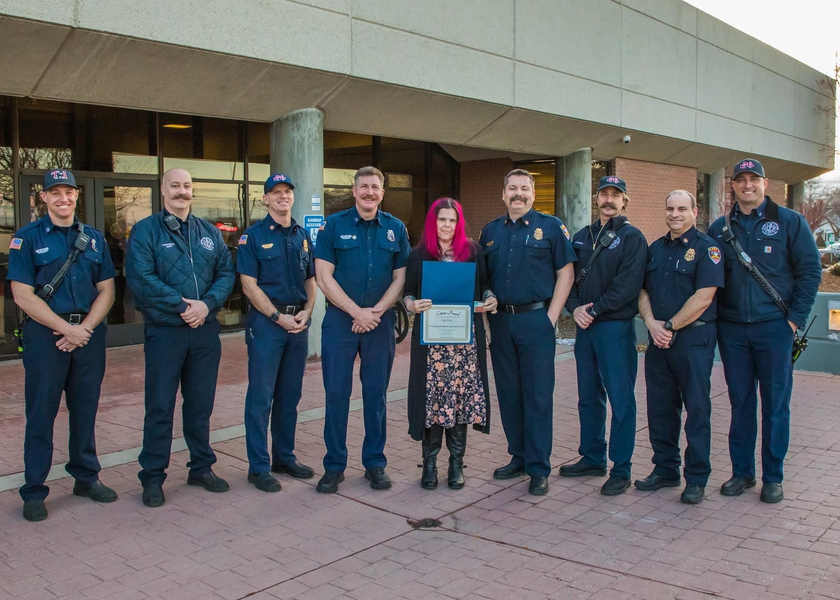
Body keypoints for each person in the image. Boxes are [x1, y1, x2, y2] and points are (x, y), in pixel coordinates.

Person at [708, 158, 821, 503]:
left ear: (765, 184)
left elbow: (810, 273)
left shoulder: (789, 222)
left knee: (775, 405)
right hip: (733, 331)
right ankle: (742, 473)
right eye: (740, 180)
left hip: (775, 328)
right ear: (733, 186)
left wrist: (793, 320)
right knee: (740, 402)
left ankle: (773, 476)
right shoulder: (719, 228)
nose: (747, 185)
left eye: (753, 179)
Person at [9, 169, 117, 522]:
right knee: (41, 414)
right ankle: (35, 490)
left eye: (68, 192)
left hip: (87, 335)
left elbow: (107, 290)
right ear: (43, 198)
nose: (63, 198)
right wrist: (64, 329)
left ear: (76, 196)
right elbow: (22, 295)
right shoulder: (26, 239)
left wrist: (83, 328)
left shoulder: (95, 240)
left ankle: (86, 478)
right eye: (54, 192)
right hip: (46, 336)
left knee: (85, 411)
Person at [127, 167, 235, 507]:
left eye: (187, 186)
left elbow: (226, 271)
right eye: (175, 185)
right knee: (159, 406)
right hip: (165, 332)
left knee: (200, 405)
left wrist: (207, 305)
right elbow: (140, 277)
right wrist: (182, 306)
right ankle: (153, 477)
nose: (182, 191)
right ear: (163, 189)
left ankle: (201, 467)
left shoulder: (208, 232)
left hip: (204, 332)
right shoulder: (145, 231)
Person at [314, 166, 410, 493]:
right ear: (354, 191)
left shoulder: (396, 229)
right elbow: (323, 277)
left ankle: (375, 463)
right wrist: (357, 311)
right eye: (364, 187)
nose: (369, 192)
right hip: (341, 322)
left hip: (380, 323)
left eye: (375, 187)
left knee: (376, 396)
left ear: (382, 193)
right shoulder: (333, 226)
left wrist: (377, 311)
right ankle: (334, 465)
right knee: (336, 394)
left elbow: (400, 278)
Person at [479, 169, 576, 496]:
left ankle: (538, 467)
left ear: (533, 194)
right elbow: (483, 280)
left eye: (524, 189)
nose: (518, 194)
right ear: (503, 194)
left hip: (536, 320)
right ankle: (518, 456)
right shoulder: (490, 232)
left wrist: (550, 318)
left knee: (537, 395)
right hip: (502, 323)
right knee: (509, 392)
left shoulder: (550, 227)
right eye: (512, 188)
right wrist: (487, 316)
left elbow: (566, 273)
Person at [636, 190, 724, 504]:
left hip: (693, 341)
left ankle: (696, 478)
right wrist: (652, 324)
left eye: (682, 208)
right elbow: (641, 291)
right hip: (659, 341)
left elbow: (704, 297)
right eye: (670, 208)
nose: (675, 214)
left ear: (694, 211)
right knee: (660, 409)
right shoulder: (655, 249)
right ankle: (665, 470)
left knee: (697, 410)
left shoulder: (707, 249)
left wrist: (670, 326)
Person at [403, 198, 498, 489]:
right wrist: (411, 304)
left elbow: (484, 285)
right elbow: (407, 294)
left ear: (459, 223)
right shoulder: (419, 254)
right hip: (431, 343)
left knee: (459, 400)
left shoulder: (472, 252)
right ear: (433, 222)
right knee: (432, 401)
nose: (447, 225)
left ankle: (456, 464)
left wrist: (490, 298)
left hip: (464, 341)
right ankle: (429, 465)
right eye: (441, 220)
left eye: (452, 220)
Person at [562, 176, 647, 496]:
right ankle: (593, 456)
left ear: (625, 201)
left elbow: (628, 284)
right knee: (589, 397)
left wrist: (594, 310)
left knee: (621, 400)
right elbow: (568, 278)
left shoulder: (632, 238)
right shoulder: (582, 237)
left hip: (615, 329)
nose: (609, 199)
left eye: (616, 195)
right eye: (604, 194)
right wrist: (574, 309)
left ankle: (621, 468)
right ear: (596, 199)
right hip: (586, 329)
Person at [237, 173, 316, 492]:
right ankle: (258, 467)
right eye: (276, 192)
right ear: (265, 198)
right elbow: (248, 284)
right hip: (268, 326)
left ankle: (283, 456)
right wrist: (275, 315)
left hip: (298, 325)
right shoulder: (252, 236)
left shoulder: (302, 235)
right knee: (261, 396)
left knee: (290, 395)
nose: (283, 196)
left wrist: (309, 311)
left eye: (287, 192)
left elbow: (311, 278)